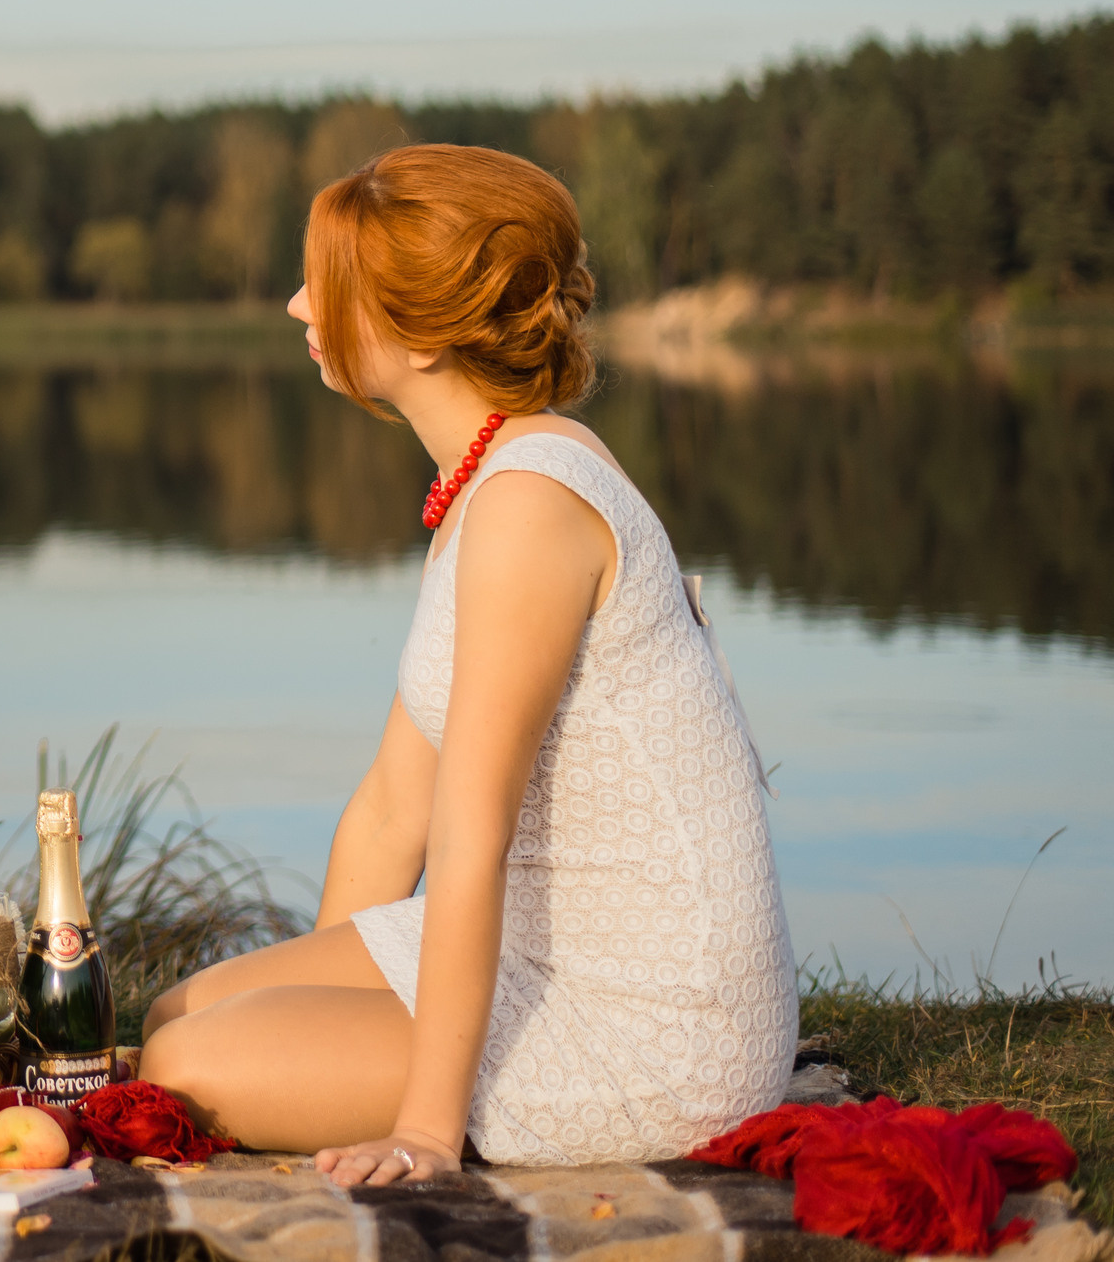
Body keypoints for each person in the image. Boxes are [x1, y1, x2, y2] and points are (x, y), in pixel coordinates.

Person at [139, 144, 795, 1182]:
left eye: (327, 282)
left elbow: (468, 827)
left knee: (180, 1064)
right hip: (548, 948)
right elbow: (396, 805)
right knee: (180, 1011)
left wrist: (423, 1126)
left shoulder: (529, 506)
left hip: (653, 1029)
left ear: (418, 329)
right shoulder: (485, 478)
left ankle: (437, 1097)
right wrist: (305, 1022)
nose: (295, 304)